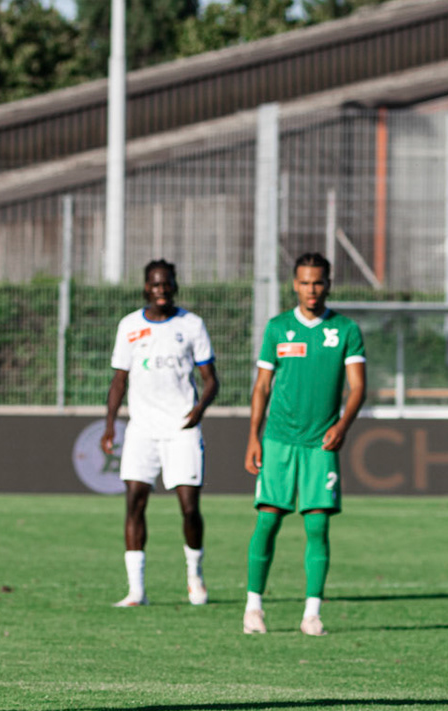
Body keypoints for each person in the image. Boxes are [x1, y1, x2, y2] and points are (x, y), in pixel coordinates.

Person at [243, 253, 365, 637]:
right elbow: (262, 386)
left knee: (317, 527)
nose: (311, 290)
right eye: (305, 283)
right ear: (294, 285)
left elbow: (358, 386)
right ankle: (253, 608)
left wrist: (343, 424)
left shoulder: (345, 329)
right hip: (279, 440)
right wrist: (253, 436)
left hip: (319, 445)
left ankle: (312, 614)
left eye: (318, 282)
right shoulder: (278, 328)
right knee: (267, 520)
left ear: (328, 284)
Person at [102, 259, 218, 607]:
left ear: (174, 286)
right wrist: (110, 424)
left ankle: (194, 575)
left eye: (166, 284)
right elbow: (119, 380)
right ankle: (137, 591)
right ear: (145, 288)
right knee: (135, 504)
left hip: (182, 429)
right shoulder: (129, 326)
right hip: (142, 430)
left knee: (188, 507)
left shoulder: (192, 325)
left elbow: (211, 380)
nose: (161, 290)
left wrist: (198, 411)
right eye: (154, 284)